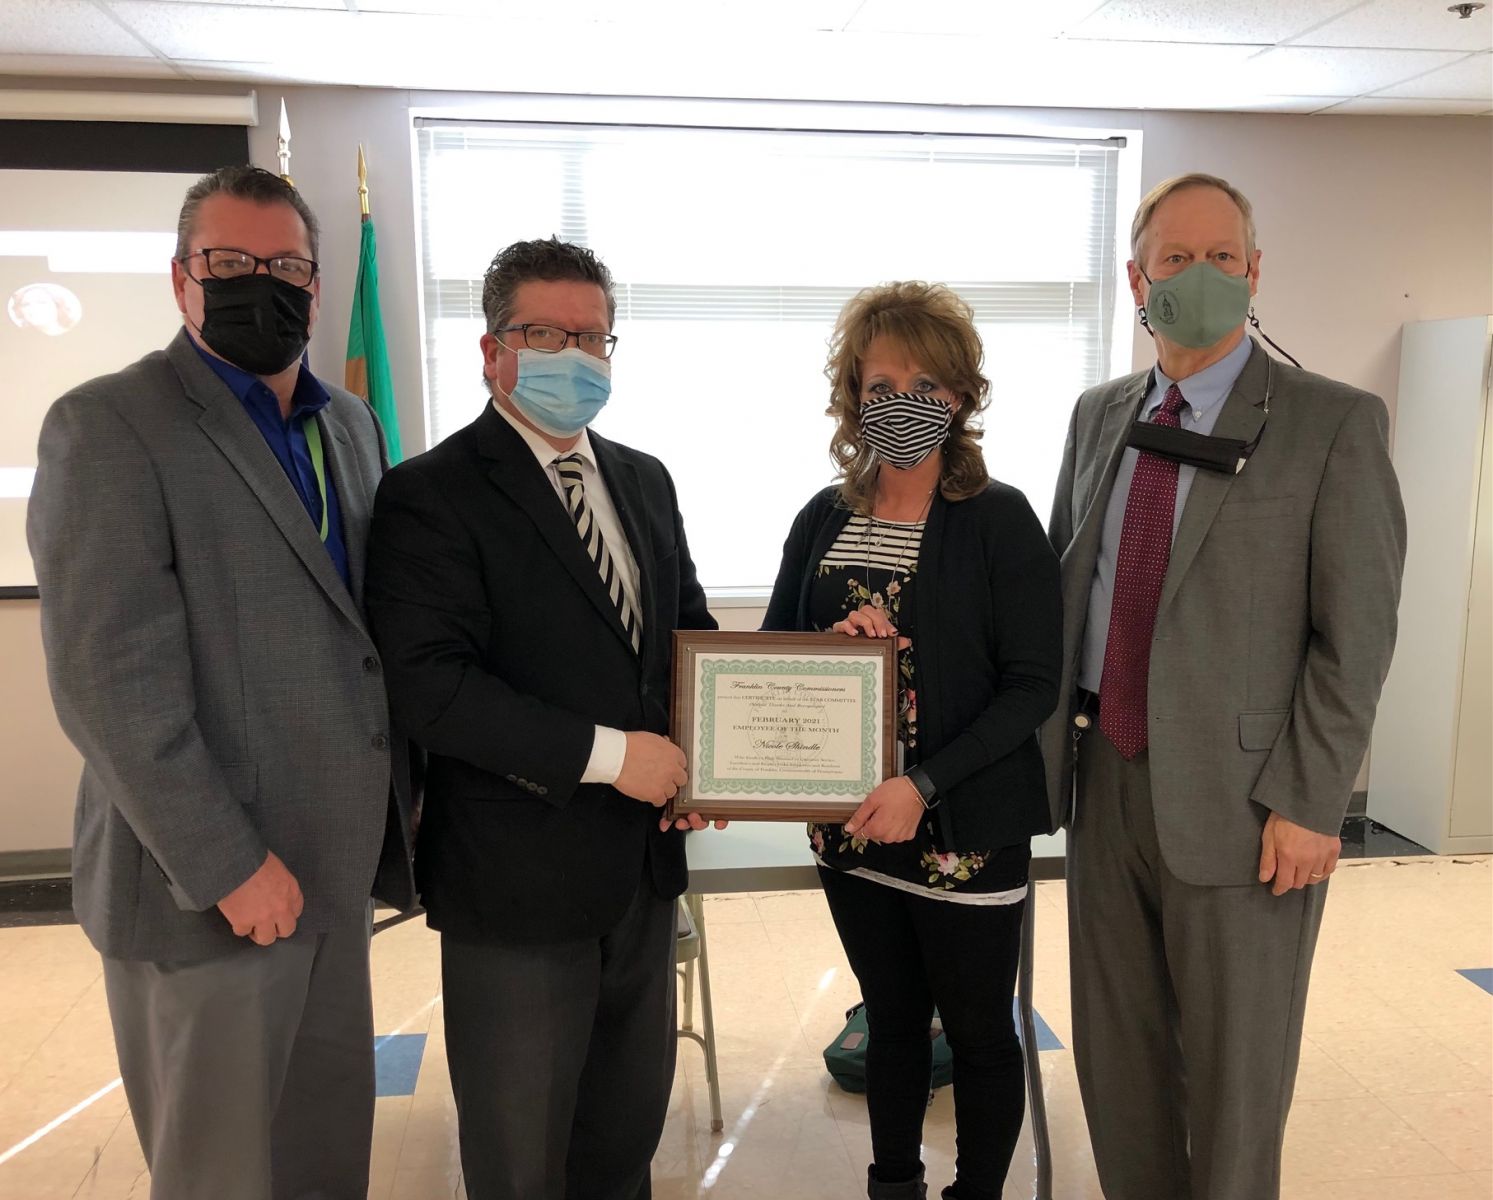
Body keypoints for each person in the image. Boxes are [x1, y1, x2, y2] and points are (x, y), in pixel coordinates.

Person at [26, 164, 418, 1200]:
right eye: (232, 264)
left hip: (333, 873)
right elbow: (107, 680)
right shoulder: (108, 424)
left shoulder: (349, 426)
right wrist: (229, 863)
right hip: (207, 887)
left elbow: (356, 633)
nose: (264, 285)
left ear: (318, 283)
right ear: (178, 280)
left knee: (326, 1158)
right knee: (223, 1175)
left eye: (287, 266)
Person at [1042, 172, 1407, 1200]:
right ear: (1133, 280)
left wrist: (1308, 799)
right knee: (1117, 1069)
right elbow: (1070, 584)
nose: (1196, 276)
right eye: (1173, 259)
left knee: (1235, 1083)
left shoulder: (1328, 423)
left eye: (1219, 257)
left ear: (1253, 271)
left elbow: (1357, 634)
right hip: (1104, 784)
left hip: (1250, 809)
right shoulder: (1096, 415)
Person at [365, 236, 720, 1200]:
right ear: (492, 351)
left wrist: (708, 763)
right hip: (514, 890)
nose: (576, 354)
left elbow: (684, 639)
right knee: (521, 1161)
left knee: (622, 1145)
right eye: (544, 333)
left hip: (641, 880)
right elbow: (431, 687)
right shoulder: (429, 494)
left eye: (595, 337)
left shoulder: (643, 480)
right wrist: (616, 759)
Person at [763, 281, 1062, 1200]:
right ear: (852, 389)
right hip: (850, 826)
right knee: (892, 1022)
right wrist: (825, 648)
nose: (902, 402)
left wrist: (921, 785)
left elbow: (1030, 688)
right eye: (882, 380)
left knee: (975, 1033)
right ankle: (891, 1184)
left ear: (963, 397)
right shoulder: (823, 514)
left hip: (963, 826)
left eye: (926, 384)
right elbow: (769, 653)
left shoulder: (998, 519)